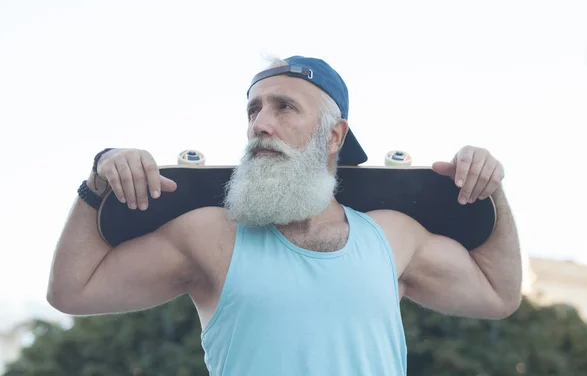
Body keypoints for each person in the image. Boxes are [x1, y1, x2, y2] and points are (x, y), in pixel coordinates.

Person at [47, 56, 521, 375]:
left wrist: (492, 191)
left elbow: (499, 296)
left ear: (334, 136)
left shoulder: (392, 238)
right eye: (253, 110)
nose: (260, 124)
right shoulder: (211, 236)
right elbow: (72, 291)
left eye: (284, 107)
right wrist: (96, 183)